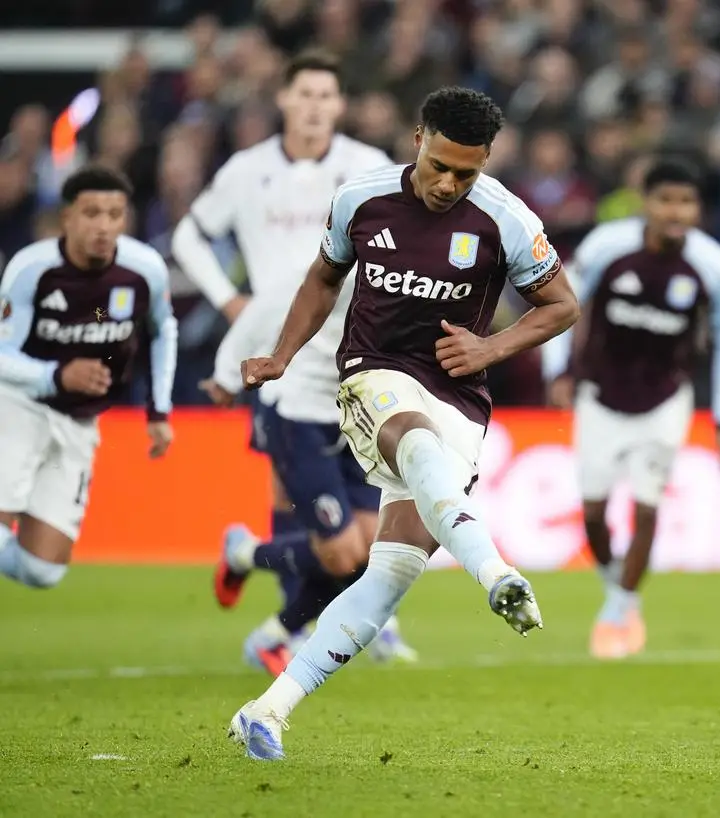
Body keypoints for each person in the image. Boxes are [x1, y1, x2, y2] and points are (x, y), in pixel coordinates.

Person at [227, 86, 580, 761]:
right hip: (371, 373)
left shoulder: (504, 218)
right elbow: (323, 279)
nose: (449, 184)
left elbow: (562, 305)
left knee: (385, 579)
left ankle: (268, 710)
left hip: (459, 396)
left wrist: (491, 348)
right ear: (417, 140)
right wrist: (280, 355)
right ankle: (498, 575)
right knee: (416, 447)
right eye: (440, 165)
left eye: (466, 172)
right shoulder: (361, 198)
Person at [170, 50, 407, 669]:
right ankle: (293, 621)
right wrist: (229, 303)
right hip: (276, 355)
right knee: (294, 498)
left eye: (326, 96)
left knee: (358, 528)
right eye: (303, 94)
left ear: (340, 105)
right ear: (283, 99)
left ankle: (305, 598)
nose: (314, 106)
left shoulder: (367, 167)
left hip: (351, 365)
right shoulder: (247, 171)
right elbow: (189, 237)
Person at [542, 157, 720, 659]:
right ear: (646, 204)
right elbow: (560, 300)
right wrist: (558, 370)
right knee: (592, 514)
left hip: (664, 399)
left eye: (686, 202)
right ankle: (619, 588)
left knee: (647, 507)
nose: (676, 212)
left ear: (697, 209)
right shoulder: (607, 247)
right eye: (666, 201)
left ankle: (618, 609)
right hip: (601, 396)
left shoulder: (714, 265)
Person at [203, 275, 418, 675]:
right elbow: (266, 307)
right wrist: (225, 376)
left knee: (372, 553)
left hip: (357, 414)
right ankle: (245, 560)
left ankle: (267, 626)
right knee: (341, 553)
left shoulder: (415, 271)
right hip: (299, 415)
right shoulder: (341, 264)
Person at [0, 166, 176, 589]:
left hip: (80, 422)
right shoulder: (33, 270)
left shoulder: (143, 270)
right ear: (67, 218)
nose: (103, 226)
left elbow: (162, 330)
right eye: (92, 213)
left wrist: (159, 410)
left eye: (114, 215)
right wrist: (56, 375)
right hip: (18, 408)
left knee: (44, 571)